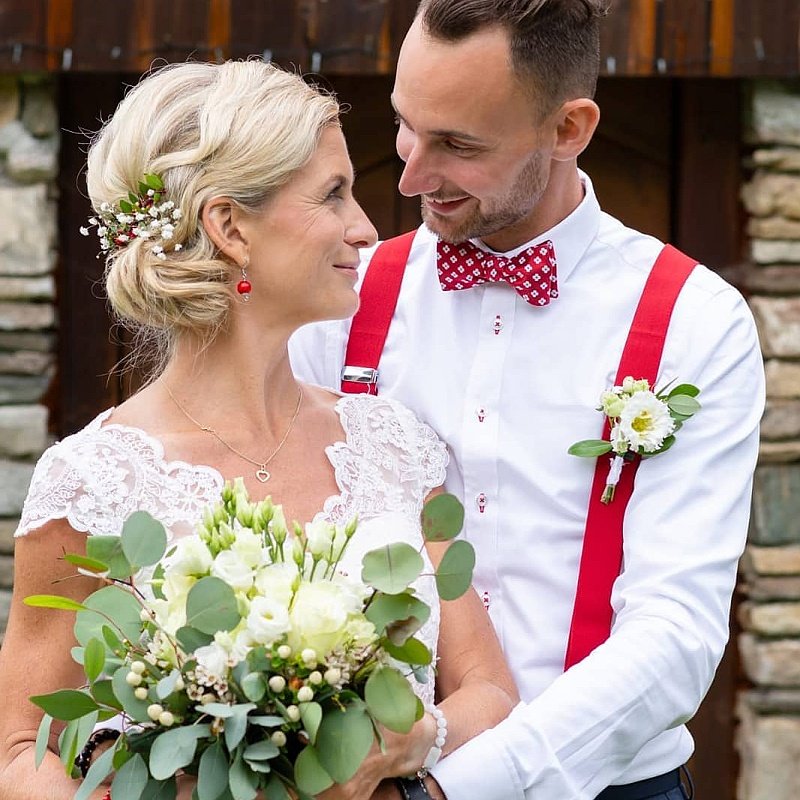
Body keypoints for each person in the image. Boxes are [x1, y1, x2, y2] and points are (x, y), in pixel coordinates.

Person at [0, 60, 518, 800]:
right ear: (230, 227)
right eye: (332, 194)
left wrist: (414, 749)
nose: (365, 228)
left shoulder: (393, 446)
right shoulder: (92, 482)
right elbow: (22, 751)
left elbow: (490, 691)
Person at [288, 2, 766, 799]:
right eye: (408, 124)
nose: (408, 174)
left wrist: (456, 787)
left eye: (458, 145)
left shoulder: (693, 320)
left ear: (568, 128)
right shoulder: (343, 297)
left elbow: (674, 632)